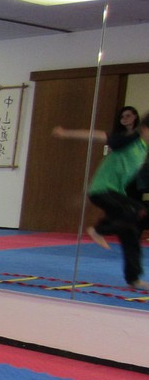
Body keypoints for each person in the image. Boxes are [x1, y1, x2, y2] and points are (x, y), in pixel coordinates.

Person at [52, 106, 148, 290]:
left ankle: (134, 279)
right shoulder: (129, 140)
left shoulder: (144, 148)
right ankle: (99, 229)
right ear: (144, 129)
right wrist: (65, 133)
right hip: (102, 190)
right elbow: (96, 136)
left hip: (116, 193)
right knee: (135, 210)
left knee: (131, 232)